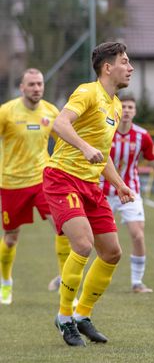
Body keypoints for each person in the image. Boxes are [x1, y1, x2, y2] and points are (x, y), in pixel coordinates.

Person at [43, 42, 136, 347]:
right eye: (124, 62)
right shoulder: (88, 92)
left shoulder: (116, 105)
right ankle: (64, 317)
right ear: (107, 67)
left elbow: (103, 152)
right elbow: (60, 123)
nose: (130, 67)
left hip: (91, 185)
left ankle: (83, 315)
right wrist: (84, 148)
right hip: (62, 178)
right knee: (82, 245)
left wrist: (119, 183)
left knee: (112, 252)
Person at [0, 68, 72, 305]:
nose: (36, 88)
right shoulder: (7, 112)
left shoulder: (51, 111)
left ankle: (65, 283)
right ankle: (6, 282)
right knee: (10, 239)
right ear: (22, 87)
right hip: (11, 183)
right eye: (31, 84)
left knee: (62, 227)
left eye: (39, 84)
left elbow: (64, 143)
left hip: (43, 181)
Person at [101, 94, 154, 293]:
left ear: (135, 111)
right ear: (117, 110)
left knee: (137, 235)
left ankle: (137, 282)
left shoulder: (142, 136)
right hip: (103, 192)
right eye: (124, 106)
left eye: (131, 107)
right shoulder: (104, 131)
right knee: (96, 240)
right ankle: (90, 279)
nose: (127, 110)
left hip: (130, 192)